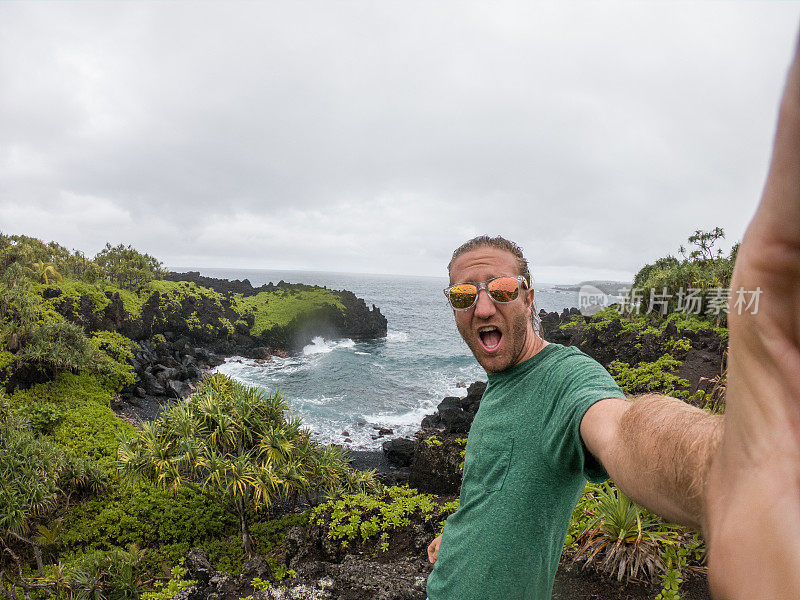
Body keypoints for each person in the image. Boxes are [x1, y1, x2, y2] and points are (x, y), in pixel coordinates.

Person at [426, 31, 800, 600]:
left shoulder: (564, 380)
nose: (481, 305)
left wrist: (725, 472)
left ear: (528, 296)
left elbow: (622, 427)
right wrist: (456, 536)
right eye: (462, 295)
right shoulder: (500, 385)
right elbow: (495, 488)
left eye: (499, 287)